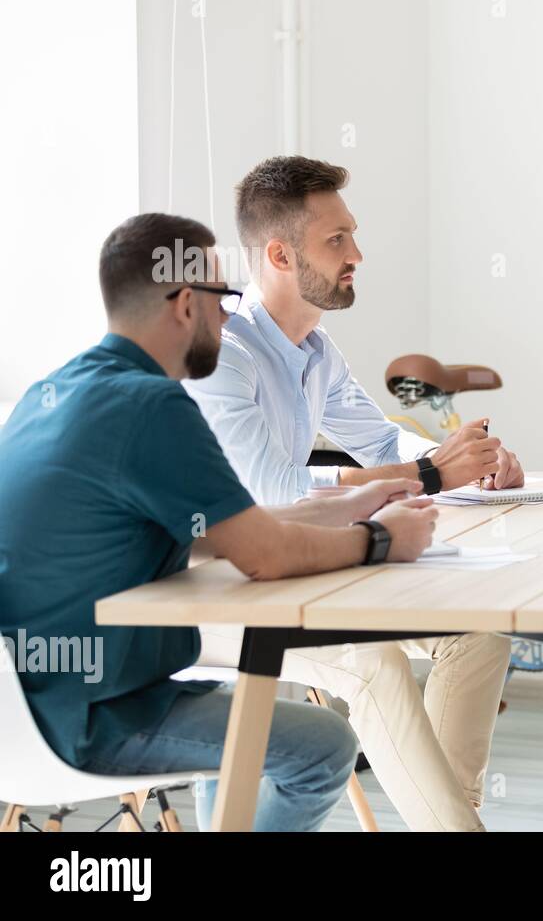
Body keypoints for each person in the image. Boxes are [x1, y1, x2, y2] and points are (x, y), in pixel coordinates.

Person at [0, 213, 441, 831]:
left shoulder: (61, 392)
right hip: (90, 716)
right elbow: (267, 555)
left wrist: (356, 502)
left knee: (251, 723)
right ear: (185, 303)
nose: (231, 317)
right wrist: (383, 540)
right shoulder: (152, 404)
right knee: (324, 747)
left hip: (26, 707)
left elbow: (235, 528)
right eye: (222, 298)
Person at [186, 156, 516, 832]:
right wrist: (427, 476)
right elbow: (270, 492)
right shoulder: (224, 351)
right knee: (375, 665)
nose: (357, 254)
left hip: (283, 567)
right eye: (337, 240)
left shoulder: (314, 349)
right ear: (279, 253)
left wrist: (466, 461)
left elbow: (384, 443)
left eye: (352, 235)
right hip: (200, 585)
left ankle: (450, 820)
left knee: (477, 634)